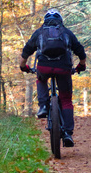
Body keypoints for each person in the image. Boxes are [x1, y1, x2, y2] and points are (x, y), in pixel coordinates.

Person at [20, 9, 87, 147]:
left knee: (41, 79)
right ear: (60, 21)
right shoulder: (67, 33)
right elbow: (80, 51)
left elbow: (27, 50)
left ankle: (43, 106)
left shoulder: (39, 32)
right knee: (66, 100)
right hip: (63, 68)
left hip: (43, 66)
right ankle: (68, 133)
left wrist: (23, 66)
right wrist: (81, 66)